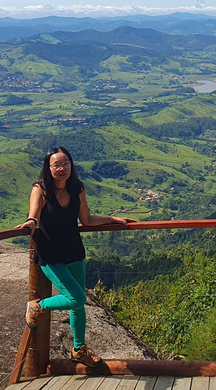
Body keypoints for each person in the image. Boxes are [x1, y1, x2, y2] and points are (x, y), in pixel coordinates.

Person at [17, 146, 131, 367]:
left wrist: (112, 220)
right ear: (48, 168)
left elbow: (86, 220)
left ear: (71, 164)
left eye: (65, 163)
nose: (62, 168)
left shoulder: (76, 188)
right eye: (56, 165)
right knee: (77, 298)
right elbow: (34, 216)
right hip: (51, 256)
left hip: (74, 252)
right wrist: (30, 223)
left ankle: (79, 349)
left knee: (77, 306)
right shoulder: (40, 189)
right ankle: (37, 306)